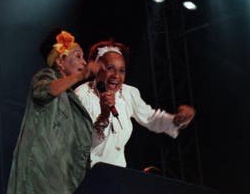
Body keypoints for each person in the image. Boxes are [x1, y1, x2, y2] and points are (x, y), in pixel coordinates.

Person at [6, 28, 103, 194]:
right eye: (78, 56)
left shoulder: (71, 97)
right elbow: (43, 91)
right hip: (40, 177)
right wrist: (79, 77)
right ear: (60, 61)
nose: (84, 62)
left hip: (62, 179)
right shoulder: (46, 76)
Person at [74, 39, 196, 168]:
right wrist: (104, 116)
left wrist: (177, 120)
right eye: (110, 68)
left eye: (122, 71)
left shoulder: (128, 93)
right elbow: (81, 142)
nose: (116, 76)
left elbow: (151, 118)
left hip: (118, 173)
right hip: (87, 172)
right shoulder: (82, 95)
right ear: (98, 69)